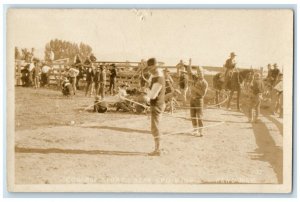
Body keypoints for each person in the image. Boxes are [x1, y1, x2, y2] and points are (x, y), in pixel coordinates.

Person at [145, 58, 165, 156]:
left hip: (157, 105)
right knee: (155, 127)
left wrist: (146, 93)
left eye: (150, 68)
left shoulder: (159, 78)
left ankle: (158, 149)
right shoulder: (156, 75)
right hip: (156, 104)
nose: (150, 70)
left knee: (155, 128)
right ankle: (158, 148)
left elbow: (152, 95)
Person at [187, 59, 208, 136]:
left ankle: (201, 131)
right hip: (192, 100)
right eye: (198, 72)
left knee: (199, 116)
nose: (199, 74)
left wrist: (194, 88)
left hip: (199, 100)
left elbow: (203, 94)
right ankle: (195, 130)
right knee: (192, 115)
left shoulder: (205, 83)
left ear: (203, 73)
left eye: (201, 72)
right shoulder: (195, 78)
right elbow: (189, 71)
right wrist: (190, 63)